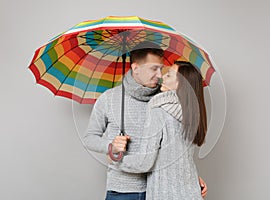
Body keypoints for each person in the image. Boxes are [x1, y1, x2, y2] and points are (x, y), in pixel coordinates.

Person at [83, 42, 207, 200]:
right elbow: (89, 138)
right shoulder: (109, 98)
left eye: (161, 69)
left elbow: (175, 147)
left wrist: (188, 179)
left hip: (156, 191)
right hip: (122, 190)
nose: (160, 75)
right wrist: (111, 146)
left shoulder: (165, 99)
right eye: (154, 69)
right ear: (136, 68)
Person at [112, 61, 207, 200]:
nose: (163, 77)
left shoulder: (158, 111)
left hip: (164, 194)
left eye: (169, 75)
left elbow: (145, 163)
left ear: (181, 83)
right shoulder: (193, 114)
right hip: (192, 192)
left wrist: (117, 159)